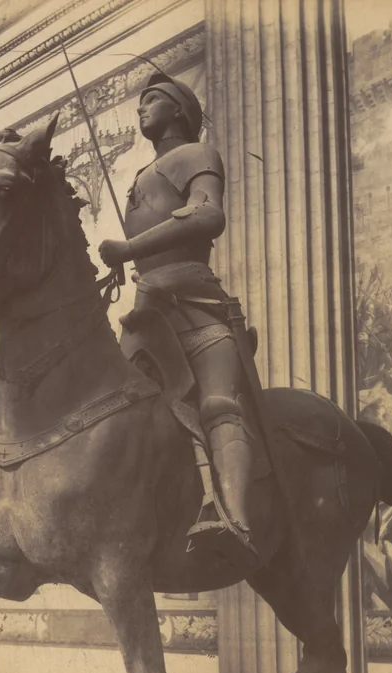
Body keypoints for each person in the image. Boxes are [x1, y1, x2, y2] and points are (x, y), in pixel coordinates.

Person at [97, 73, 264, 570]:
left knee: (218, 405)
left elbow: (207, 215)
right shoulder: (142, 174)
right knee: (104, 410)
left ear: (178, 111)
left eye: (152, 100)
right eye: (141, 102)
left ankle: (235, 521)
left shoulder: (196, 154)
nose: (141, 108)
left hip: (195, 304)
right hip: (146, 311)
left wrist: (129, 248)